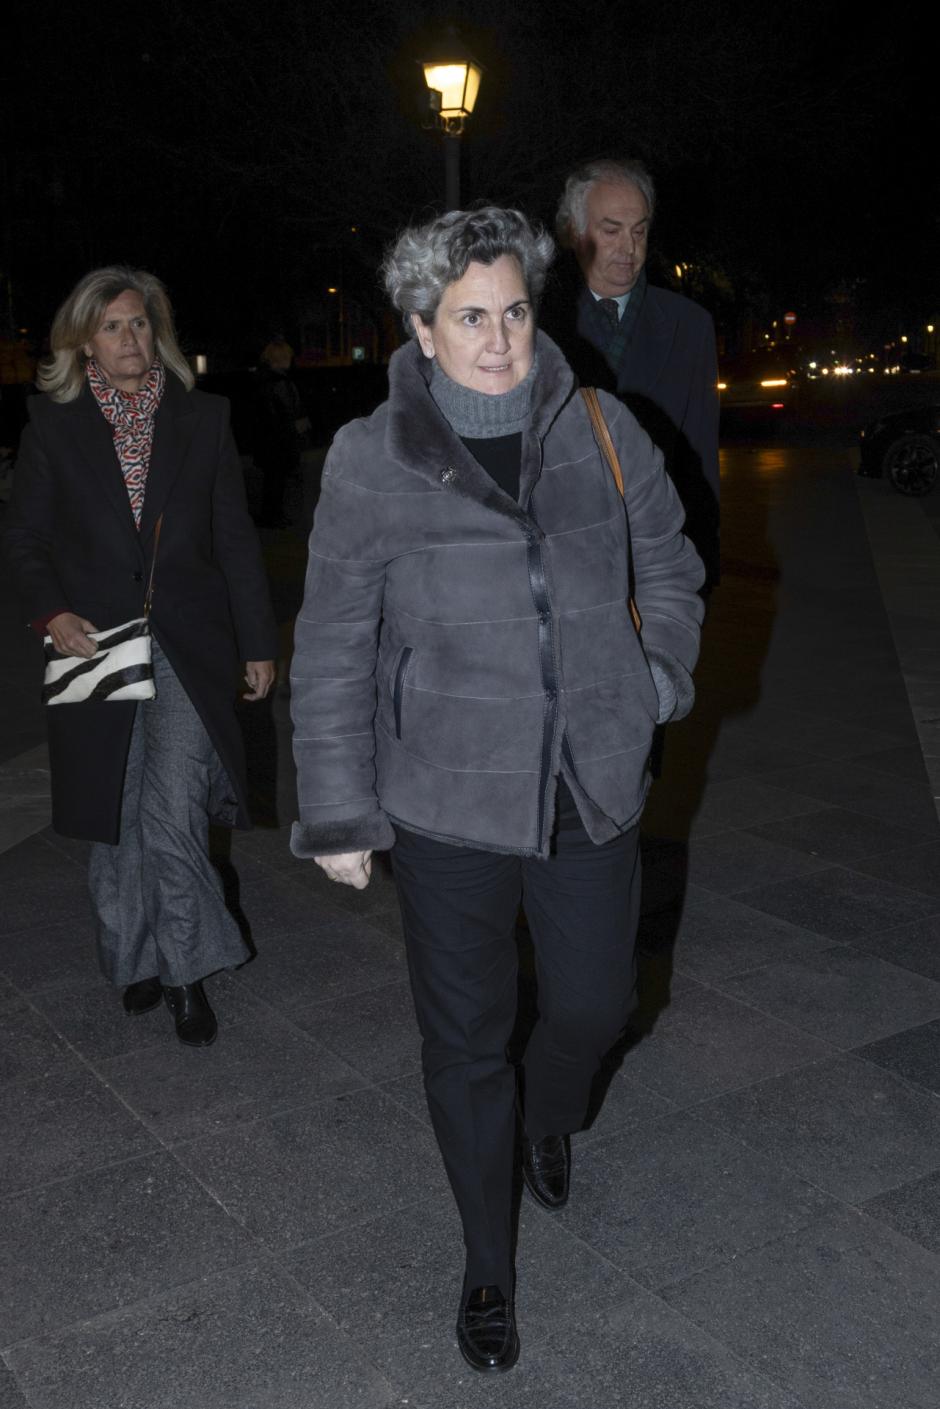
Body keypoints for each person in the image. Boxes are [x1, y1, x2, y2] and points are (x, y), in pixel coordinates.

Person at [289, 208, 704, 1372]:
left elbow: (668, 559)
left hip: (588, 781)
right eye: (470, 317)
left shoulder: (602, 427)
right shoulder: (373, 456)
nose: (499, 338)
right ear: (422, 329)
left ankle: (549, 1114)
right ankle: (485, 1259)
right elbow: (332, 644)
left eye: (514, 310)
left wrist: (657, 672)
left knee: (591, 1005)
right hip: (444, 800)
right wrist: (338, 807)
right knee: (464, 1039)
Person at [1, 266, 277, 1047]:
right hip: (94, 643)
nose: (132, 339)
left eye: (142, 324)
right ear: (85, 340)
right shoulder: (53, 426)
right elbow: (24, 538)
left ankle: (187, 969)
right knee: (115, 814)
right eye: (115, 326)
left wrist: (258, 643)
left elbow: (233, 539)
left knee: (174, 808)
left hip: (189, 643)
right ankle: (135, 958)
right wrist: (49, 610)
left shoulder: (204, 418)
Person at [542, 157, 720, 584]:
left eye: (639, 231)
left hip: (656, 562)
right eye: (611, 231)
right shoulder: (535, 325)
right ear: (574, 233)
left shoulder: (690, 325)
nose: (630, 248)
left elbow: (701, 462)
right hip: (562, 565)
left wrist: (701, 572)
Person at [252, 335, 304, 528]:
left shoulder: (263, 381)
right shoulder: (279, 383)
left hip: (268, 441)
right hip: (279, 441)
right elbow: (287, 414)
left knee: (272, 480)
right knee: (277, 481)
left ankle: (271, 514)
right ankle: (274, 516)